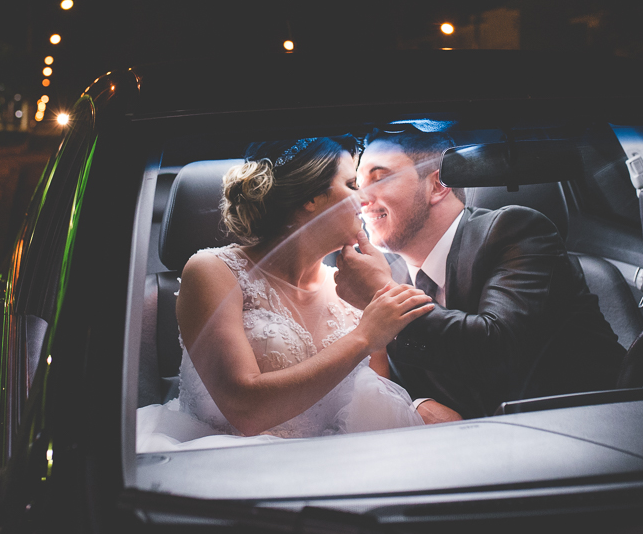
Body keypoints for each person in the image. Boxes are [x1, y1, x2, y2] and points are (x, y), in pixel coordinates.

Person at [136, 137, 450, 452]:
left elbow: (374, 403)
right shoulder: (212, 271)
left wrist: (417, 406)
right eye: (352, 184)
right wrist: (365, 336)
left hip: (335, 459)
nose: (365, 198)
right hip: (229, 460)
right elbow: (246, 410)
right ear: (312, 196)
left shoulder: (351, 287)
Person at [335, 129, 626, 420]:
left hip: (591, 425)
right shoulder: (393, 271)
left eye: (380, 177)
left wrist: (383, 295)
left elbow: (497, 350)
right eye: (358, 184)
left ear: (437, 186)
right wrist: (416, 403)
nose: (360, 199)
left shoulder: (516, 230)